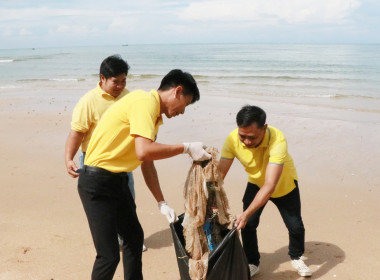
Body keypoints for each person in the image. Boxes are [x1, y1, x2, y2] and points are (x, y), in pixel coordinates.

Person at [78, 69, 211, 280]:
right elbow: (144, 151)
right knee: (109, 255)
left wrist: (161, 202)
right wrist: (185, 147)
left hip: (117, 181)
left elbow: (146, 162)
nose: (183, 112)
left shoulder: (154, 116)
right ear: (177, 91)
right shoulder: (144, 101)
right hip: (97, 182)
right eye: (185, 104)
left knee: (133, 238)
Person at [218, 105, 312, 278]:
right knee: (248, 225)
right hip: (255, 182)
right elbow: (219, 176)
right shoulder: (232, 140)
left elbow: (270, 185)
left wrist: (246, 213)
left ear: (264, 128)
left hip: (283, 185)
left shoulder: (278, 139)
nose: (246, 142)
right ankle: (252, 262)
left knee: (295, 226)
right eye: (242, 136)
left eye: (252, 137)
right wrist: (210, 199)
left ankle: (296, 257)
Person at [64, 55, 145, 250]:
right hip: (95, 163)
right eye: (115, 82)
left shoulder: (129, 97)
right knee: (103, 206)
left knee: (128, 200)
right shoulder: (89, 101)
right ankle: (112, 240)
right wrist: (68, 158)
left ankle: (127, 237)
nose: (120, 86)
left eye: (124, 81)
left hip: (123, 161)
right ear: (102, 78)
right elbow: (77, 133)